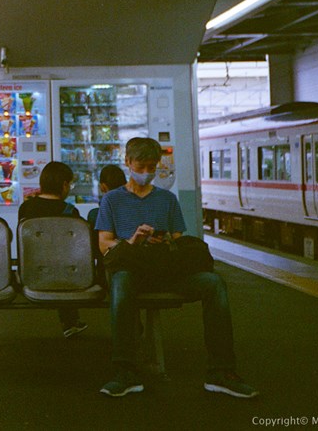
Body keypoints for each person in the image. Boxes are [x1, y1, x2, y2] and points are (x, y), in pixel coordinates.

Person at [95, 137, 258, 399]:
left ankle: (222, 371)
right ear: (127, 162)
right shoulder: (112, 201)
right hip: (132, 269)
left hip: (166, 270)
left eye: (152, 167)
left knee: (214, 284)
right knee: (121, 281)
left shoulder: (167, 200)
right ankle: (125, 370)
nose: (147, 173)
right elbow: (104, 245)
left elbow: (179, 241)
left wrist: (167, 240)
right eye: (141, 166)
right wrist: (133, 240)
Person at [17, 161, 88, 339]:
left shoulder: (26, 207)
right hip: (65, 273)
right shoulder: (70, 211)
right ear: (64, 185)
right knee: (64, 266)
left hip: (30, 271)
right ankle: (70, 322)